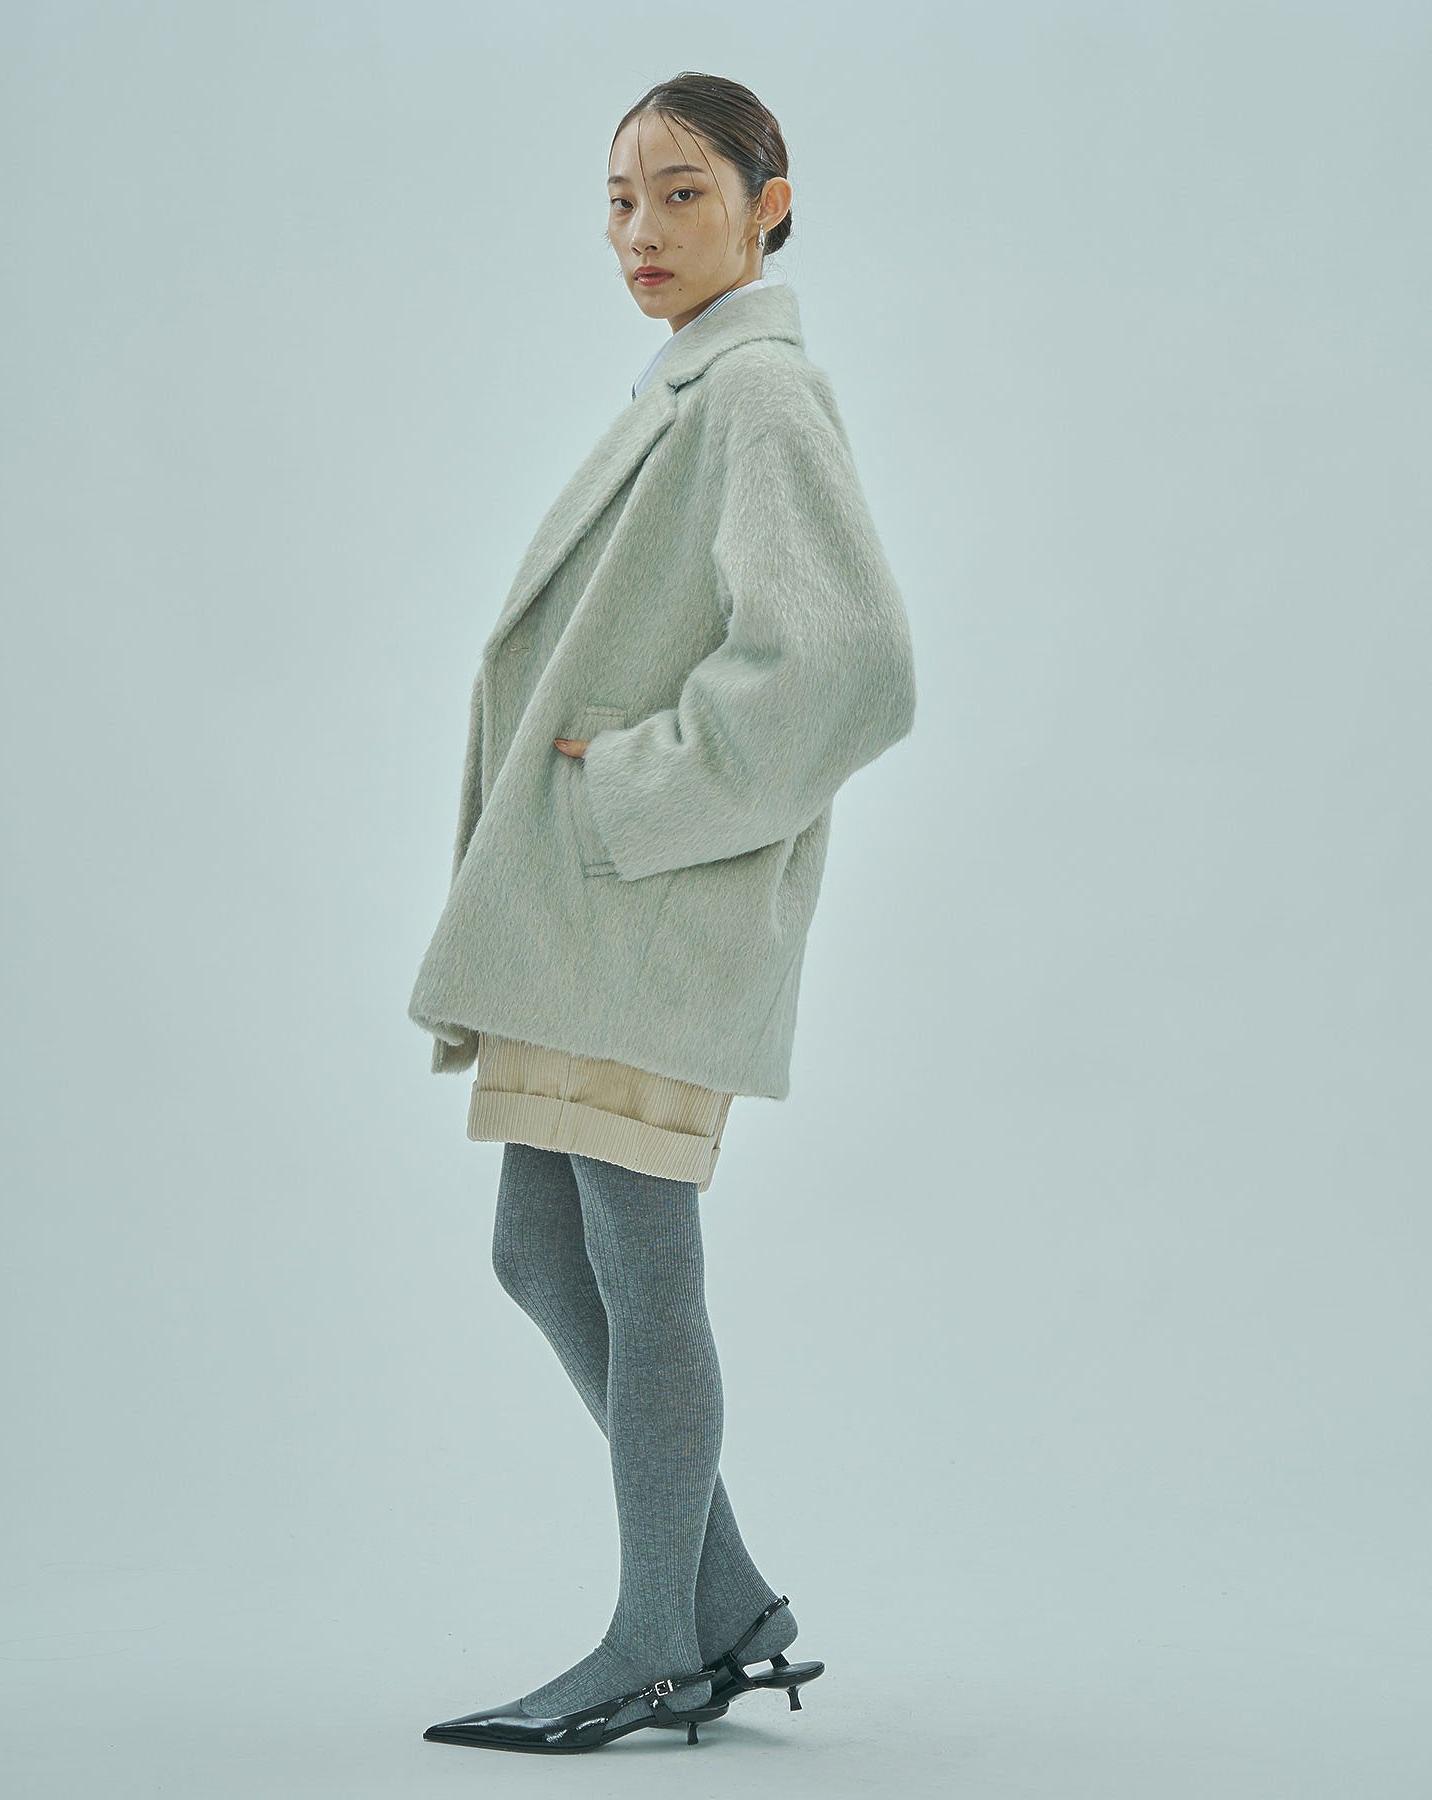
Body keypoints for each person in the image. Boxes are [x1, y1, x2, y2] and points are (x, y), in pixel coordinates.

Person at [415, 71, 917, 1754]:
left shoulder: (758, 391)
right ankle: (726, 1603)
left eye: (684, 193)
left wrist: (639, 790)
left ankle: (654, 1646)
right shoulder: (691, 382)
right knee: (537, 1250)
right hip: (594, 916)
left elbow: (851, 664)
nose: (641, 229)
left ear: (771, 204)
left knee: (640, 1264)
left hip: (647, 907)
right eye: (621, 197)